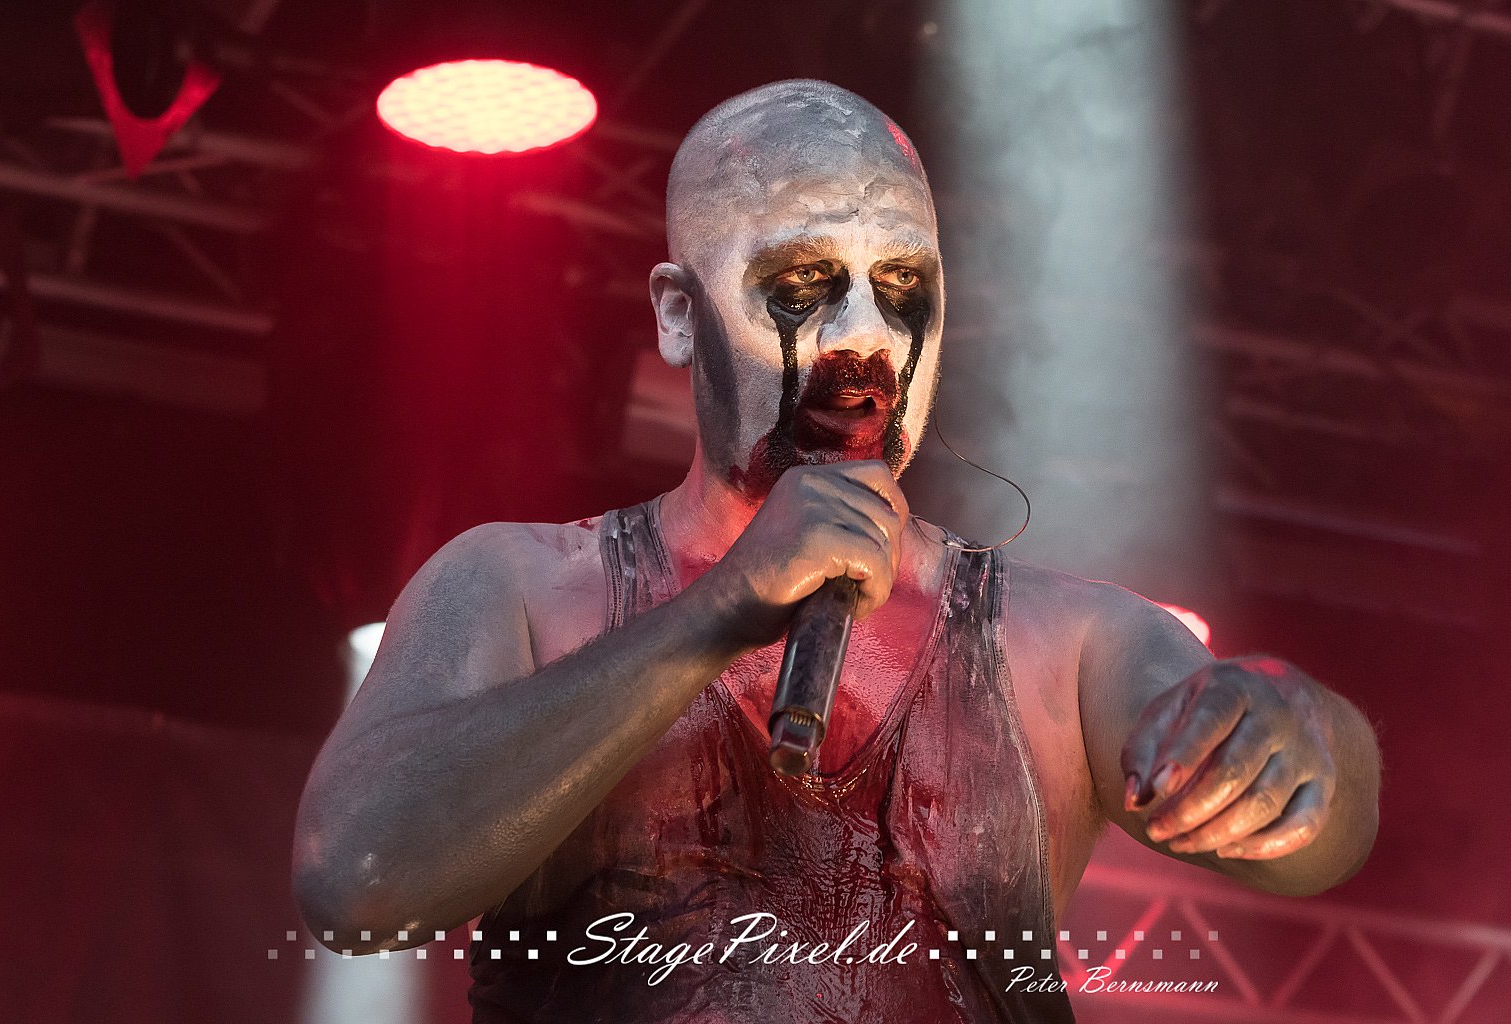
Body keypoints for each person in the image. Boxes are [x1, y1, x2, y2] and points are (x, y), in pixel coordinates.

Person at [291, 80, 1380, 1023]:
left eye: (902, 288)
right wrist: (716, 613)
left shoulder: (1067, 640)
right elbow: (358, 884)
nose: (865, 336)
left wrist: (1304, 734)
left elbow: (1319, 839)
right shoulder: (519, 585)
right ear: (679, 314)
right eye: (806, 285)